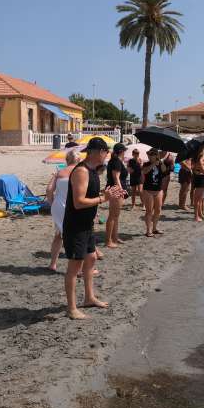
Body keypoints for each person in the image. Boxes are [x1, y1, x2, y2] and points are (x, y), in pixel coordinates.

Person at [62, 137, 123, 320]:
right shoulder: (82, 171)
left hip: (87, 225)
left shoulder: (94, 171)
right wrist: (103, 199)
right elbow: (78, 202)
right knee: (74, 267)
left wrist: (106, 196)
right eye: (106, 152)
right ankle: (71, 308)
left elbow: (92, 196)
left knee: (91, 259)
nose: (107, 156)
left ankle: (89, 297)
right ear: (98, 151)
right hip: (76, 227)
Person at [45, 149, 81, 272]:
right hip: (75, 206)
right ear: (78, 160)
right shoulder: (80, 172)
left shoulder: (59, 172)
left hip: (59, 206)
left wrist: (52, 203)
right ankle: (79, 268)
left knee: (58, 235)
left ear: (67, 160)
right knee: (78, 236)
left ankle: (53, 264)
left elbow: (49, 190)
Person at [105, 143, 128, 248]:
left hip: (114, 189)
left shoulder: (116, 161)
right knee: (113, 216)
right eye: (125, 151)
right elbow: (116, 177)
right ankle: (108, 240)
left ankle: (115, 237)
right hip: (115, 190)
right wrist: (121, 190)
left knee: (116, 216)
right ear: (121, 151)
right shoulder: (116, 162)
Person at [141, 148, 165, 237]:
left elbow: (164, 170)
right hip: (148, 190)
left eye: (152, 155)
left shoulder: (160, 163)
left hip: (158, 190)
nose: (150, 156)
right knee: (149, 211)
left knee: (158, 210)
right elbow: (144, 171)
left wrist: (159, 161)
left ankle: (155, 228)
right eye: (149, 155)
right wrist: (153, 164)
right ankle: (148, 230)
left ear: (156, 155)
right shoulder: (146, 164)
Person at [190, 146, 204, 221]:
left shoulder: (195, 160)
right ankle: (196, 216)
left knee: (200, 199)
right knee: (197, 199)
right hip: (200, 180)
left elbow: (194, 170)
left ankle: (199, 214)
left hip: (197, 179)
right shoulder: (199, 161)